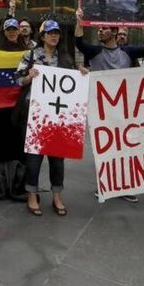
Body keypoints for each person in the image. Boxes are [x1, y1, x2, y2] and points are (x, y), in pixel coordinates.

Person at [75, 11, 144, 203]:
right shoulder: (94, 52)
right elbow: (79, 43)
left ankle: (124, 185)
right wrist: (79, 21)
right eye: (99, 28)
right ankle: (105, 185)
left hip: (124, 111)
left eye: (104, 28)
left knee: (124, 148)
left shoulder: (127, 52)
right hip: (101, 110)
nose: (100, 31)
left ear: (114, 32)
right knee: (105, 149)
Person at [18, 20, 87, 217]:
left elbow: (73, 83)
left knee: (57, 158)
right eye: (49, 33)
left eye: (56, 32)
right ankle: (32, 194)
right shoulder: (30, 55)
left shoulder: (65, 58)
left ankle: (57, 195)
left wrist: (81, 74)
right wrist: (29, 76)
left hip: (59, 117)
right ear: (42, 36)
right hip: (36, 116)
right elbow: (17, 79)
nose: (54, 36)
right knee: (34, 158)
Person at [0, 18, 28, 201]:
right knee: (2, 142)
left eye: (14, 29)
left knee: (19, 143)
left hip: (20, 105)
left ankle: (17, 185)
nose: (12, 32)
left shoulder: (27, 53)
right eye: (9, 29)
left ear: (19, 31)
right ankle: (1, 185)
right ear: (4, 31)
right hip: (3, 105)